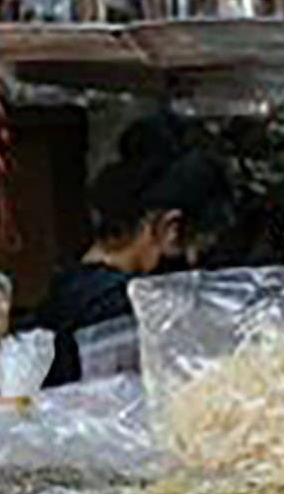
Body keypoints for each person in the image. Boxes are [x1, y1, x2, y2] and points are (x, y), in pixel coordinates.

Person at [34, 114, 237, 385]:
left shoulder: (67, 286)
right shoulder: (121, 310)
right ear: (169, 228)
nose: (193, 261)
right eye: (194, 247)